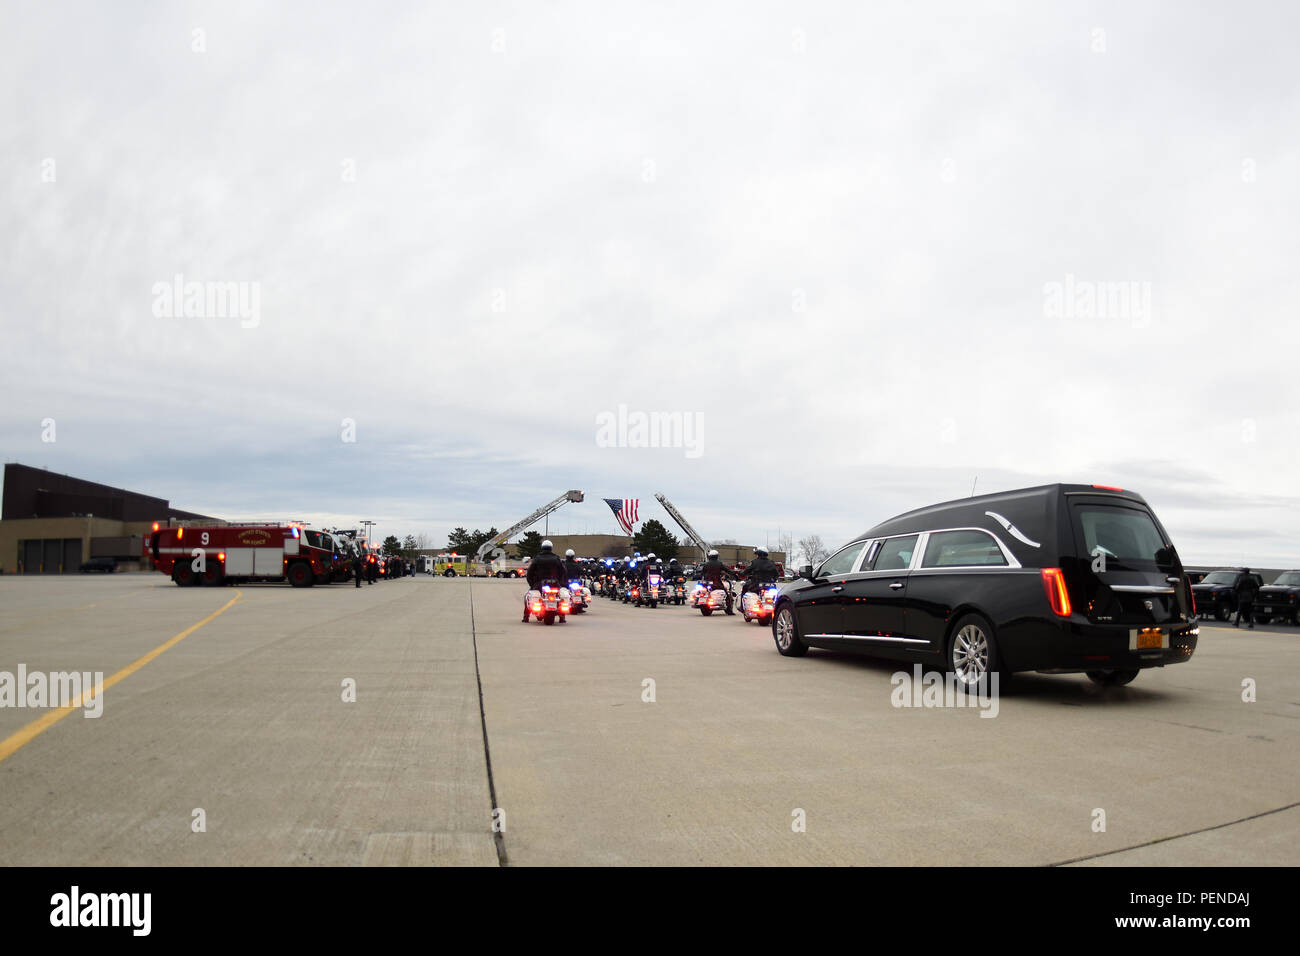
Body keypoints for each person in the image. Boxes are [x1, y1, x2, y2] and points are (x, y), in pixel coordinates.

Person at [523, 539, 568, 622]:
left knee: (527, 596)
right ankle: (562, 617)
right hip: (555, 584)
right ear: (551, 548)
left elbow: (530, 572)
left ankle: (526, 617)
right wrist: (561, 582)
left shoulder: (537, 558)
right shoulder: (556, 558)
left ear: (542, 547)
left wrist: (531, 584)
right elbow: (563, 571)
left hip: (539, 584)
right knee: (560, 596)